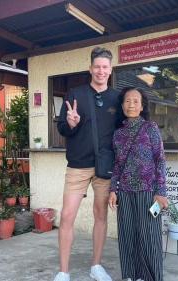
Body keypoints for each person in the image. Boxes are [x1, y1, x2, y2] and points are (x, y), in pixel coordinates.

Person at [54, 47, 119, 281]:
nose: (101, 71)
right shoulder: (75, 94)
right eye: (97, 67)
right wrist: (70, 123)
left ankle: (96, 266)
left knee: (101, 214)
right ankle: (63, 271)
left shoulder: (116, 99)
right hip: (78, 165)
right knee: (67, 215)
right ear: (90, 69)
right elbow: (61, 127)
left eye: (105, 67)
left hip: (105, 167)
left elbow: (121, 133)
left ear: (110, 70)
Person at [108, 87, 168, 281]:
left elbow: (160, 160)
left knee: (149, 238)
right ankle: (130, 275)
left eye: (135, 101)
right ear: (122, 105)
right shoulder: (118, 134)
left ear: (142, 106)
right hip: (124, 192)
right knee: (126, 236)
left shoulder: (150, 128)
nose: (131, 104)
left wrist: (161, 192)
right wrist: (113, 190)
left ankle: (151, 277)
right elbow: (117, 164)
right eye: (127, 101)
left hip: (148, 192)